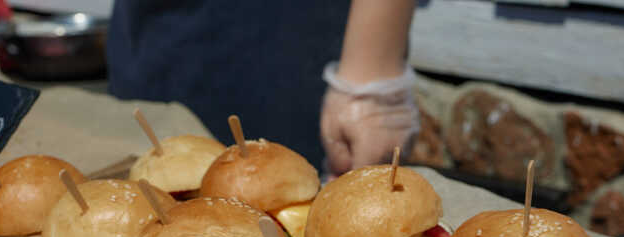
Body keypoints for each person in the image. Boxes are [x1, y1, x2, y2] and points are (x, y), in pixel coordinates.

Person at [107, 0, 418, 176]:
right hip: (154, 36)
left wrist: (371, 76)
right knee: (154, 182)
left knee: (294, 185)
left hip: (294, 42)